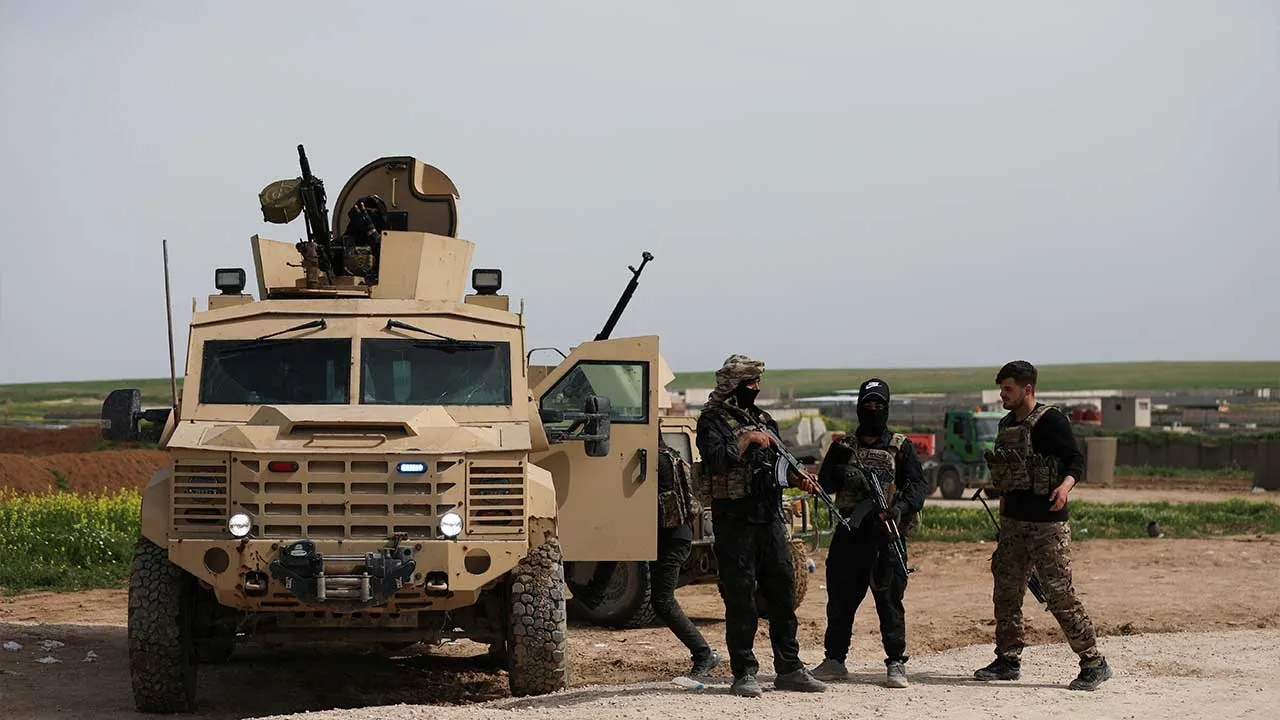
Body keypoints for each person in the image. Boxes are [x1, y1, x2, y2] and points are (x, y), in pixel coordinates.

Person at [973, 360, 1112, 691]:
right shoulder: (1007, 425)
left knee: (1059, 594)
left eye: (1008, 389)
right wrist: (1003, 516)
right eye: (1001, 389)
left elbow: (1076, 460)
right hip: (1014, 524)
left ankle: (1094, 662)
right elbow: (1006, 476)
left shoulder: (1051, 421)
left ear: (1027, 389)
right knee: (1006, 592)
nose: (1003, 395)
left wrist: (1064, 487)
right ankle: (1008, 659)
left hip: (1048, 525)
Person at [695, 353, 828, 698]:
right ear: (734, 386)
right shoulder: (712, 421)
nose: (755, 388)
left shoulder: (764, 419)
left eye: (757, 383)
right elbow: (716, 461)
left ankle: (790, 668)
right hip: (734, 521)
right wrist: (746, 440)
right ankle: (744, 672)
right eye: (749, 383)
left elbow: (776, 465)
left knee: (782, 591)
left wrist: (798, 480)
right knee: (740, 597)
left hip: (768, 518)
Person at [809, 378, 925, 688]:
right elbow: (827, 483)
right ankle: (834, 660)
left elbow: (917, 487)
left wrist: (897, 508)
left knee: (889, 599)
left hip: (886, 534)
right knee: (841, 600)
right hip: (851, 533)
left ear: (887, 407)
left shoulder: (901, 447)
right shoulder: (843, 446)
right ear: (859, 406)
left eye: (878, 404)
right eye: (867, 404)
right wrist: (848, 474)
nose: (872, 409)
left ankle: (896, 662)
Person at [652, 434, 721, 677]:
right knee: (660, 599)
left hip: (671, 538)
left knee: (662, 601)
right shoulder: (672, 456)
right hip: (674, 535)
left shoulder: (655, 461)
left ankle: (704, 654)